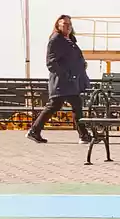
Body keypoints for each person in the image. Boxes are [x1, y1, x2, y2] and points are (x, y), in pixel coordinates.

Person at [27, 15, 91, 144]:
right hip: (62, 82)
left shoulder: (70, 40)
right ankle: (83, 135)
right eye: (64, 24)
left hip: (72, 81)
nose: (68, 26)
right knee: (60, 105)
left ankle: (35, 130)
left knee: (71, 105)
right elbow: (51, 62)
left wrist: (82, 64)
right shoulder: (56, 40)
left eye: (69, 24)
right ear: (58, 25)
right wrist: (65, 75)